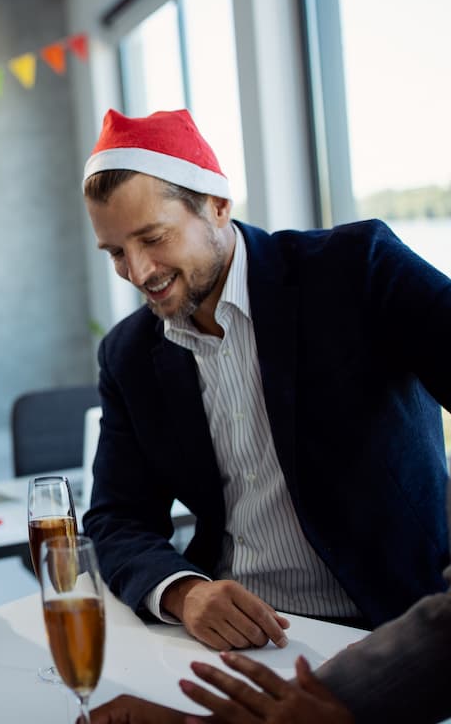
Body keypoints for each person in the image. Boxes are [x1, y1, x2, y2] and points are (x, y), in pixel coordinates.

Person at [80, 108, 450, 651]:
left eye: (153, 238)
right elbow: (117, 516)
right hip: (230, 640)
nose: (139, 272)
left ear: (219, 205)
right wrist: (184, 591)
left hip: (391, 627)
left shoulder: (356, 268)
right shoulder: (128, 354)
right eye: (116, 252)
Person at [89, 480, 451, 724]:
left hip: (381, 634)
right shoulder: (130, 361)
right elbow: (116, 515)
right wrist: (184, 591)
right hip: (216, 645)